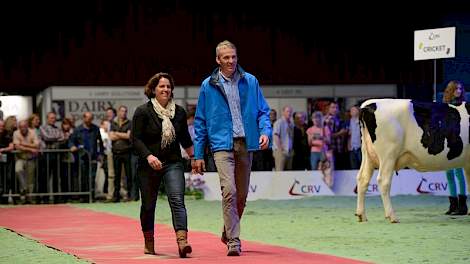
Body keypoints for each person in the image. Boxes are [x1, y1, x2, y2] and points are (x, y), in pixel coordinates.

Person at [193, 40, 272, 256]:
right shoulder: (208, 85)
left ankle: (228, 231)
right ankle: (234, 241)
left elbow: (263, 111)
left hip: (246, 144)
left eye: (234, 57)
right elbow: (200, 121)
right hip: (221, 145)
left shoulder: (251, 81)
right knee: (229, 191)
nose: (231, 61)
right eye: (226, 57)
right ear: (218, 60)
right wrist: (198, 154)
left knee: (241, 196)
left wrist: (265, 132)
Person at [132, 72, 194, 257]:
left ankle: (182, 242)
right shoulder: (143, 111)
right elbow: (135, 139)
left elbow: (185, 139)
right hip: (148, 165)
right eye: (162, 86)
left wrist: (196, 158)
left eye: (168, 86)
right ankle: (149, 241)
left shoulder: (180, 112)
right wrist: (149, 156)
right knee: (148, 205)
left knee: (177, 200)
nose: (166, 89)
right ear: (153, 89)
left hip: (173, 163)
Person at [442, 80, 468, 215]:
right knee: (449, 174)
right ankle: (453, 205)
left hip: (458, 141)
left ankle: (462, 205)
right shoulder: (445, 105)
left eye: (460, 88)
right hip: (447, 141)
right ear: (451, 90)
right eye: (456, 89)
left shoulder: (464, 106)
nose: (458, 91)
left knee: (458, 172)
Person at [69, 112, 104, 202]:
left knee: (92, 177)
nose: (89, 120)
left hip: (93, 157)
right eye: (88, 118)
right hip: (82, 158)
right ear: (84, 118)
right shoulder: (78, 129)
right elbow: (71, 141)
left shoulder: (95, 129)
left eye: (91, 118)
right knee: (83, 177)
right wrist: (72, 146)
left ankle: (91, 196)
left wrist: (100, 154)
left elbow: (100, 143)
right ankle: (83, 196)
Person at [13, 120, 40, 204]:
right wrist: (31, 149)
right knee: (18, 170)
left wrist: (23, 144)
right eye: (21, 127)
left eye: (24, 126)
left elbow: (37, 145)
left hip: (31, 158)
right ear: (19, 127)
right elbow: (17, 147)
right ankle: (23, 197)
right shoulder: (16, 133)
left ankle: (30, 199)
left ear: (27, 126)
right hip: (20, 158)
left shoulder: (33, 132)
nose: (22, 128)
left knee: (30, 180)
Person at [109, 105, 133, 202]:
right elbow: (111, 137)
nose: (124, 113)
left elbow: (128, 136)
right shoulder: (113, 123)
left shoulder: (130, 123)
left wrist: (117, 133)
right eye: (122, 111)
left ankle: (129, 195)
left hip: (126, 152)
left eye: (125, 111)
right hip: (116, 153)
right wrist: (122, 134)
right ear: (118, 112)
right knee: (117, 176)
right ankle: (116, 196)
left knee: (128, 175)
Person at [272, 106, 294, 171]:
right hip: (280, 151)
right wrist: (281, 149)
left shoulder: (291, 124)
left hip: (289, 151)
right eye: (287, 111)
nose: (289, 113)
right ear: (283, 112)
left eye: (290, 112)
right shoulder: (279, 122)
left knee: (288, 172)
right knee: (280, 171)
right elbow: (275, 136)